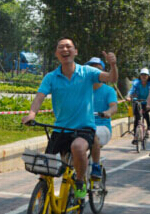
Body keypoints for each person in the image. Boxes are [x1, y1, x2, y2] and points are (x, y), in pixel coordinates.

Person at [22, 39, 118, 201]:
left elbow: (111, 78)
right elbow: (39, 97)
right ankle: (44, 197)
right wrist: (32, 114)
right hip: (60, 130)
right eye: (61, 47)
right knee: (45, 170)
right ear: (56, 53)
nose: (65, 49)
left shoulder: (87, 72)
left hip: (83, 129)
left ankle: (80, 182)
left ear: (75, 51)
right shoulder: (51, 77)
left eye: (68, 47)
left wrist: (113, 65)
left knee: (78, 147)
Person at [84, 57, 118, 181]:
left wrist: (108, 112)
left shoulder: (108, 90)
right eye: (92, 68)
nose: (95, 72)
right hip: (83, 125)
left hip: (102, 126)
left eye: (98, 69)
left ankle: (96, 166)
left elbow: (114, 107)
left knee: (94, 136)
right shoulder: (82, 89)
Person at [126, 68, 150, 136]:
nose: (144, 76)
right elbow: (132, 90)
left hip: (146, 102)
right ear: (140, 76)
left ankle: (149, 127)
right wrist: (128, 96)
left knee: (146, 114)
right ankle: (135, 135)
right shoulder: (136, 83)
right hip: (137, 101)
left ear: (148, 76)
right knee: (137, 118)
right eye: (142, 75)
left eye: (145, 75)